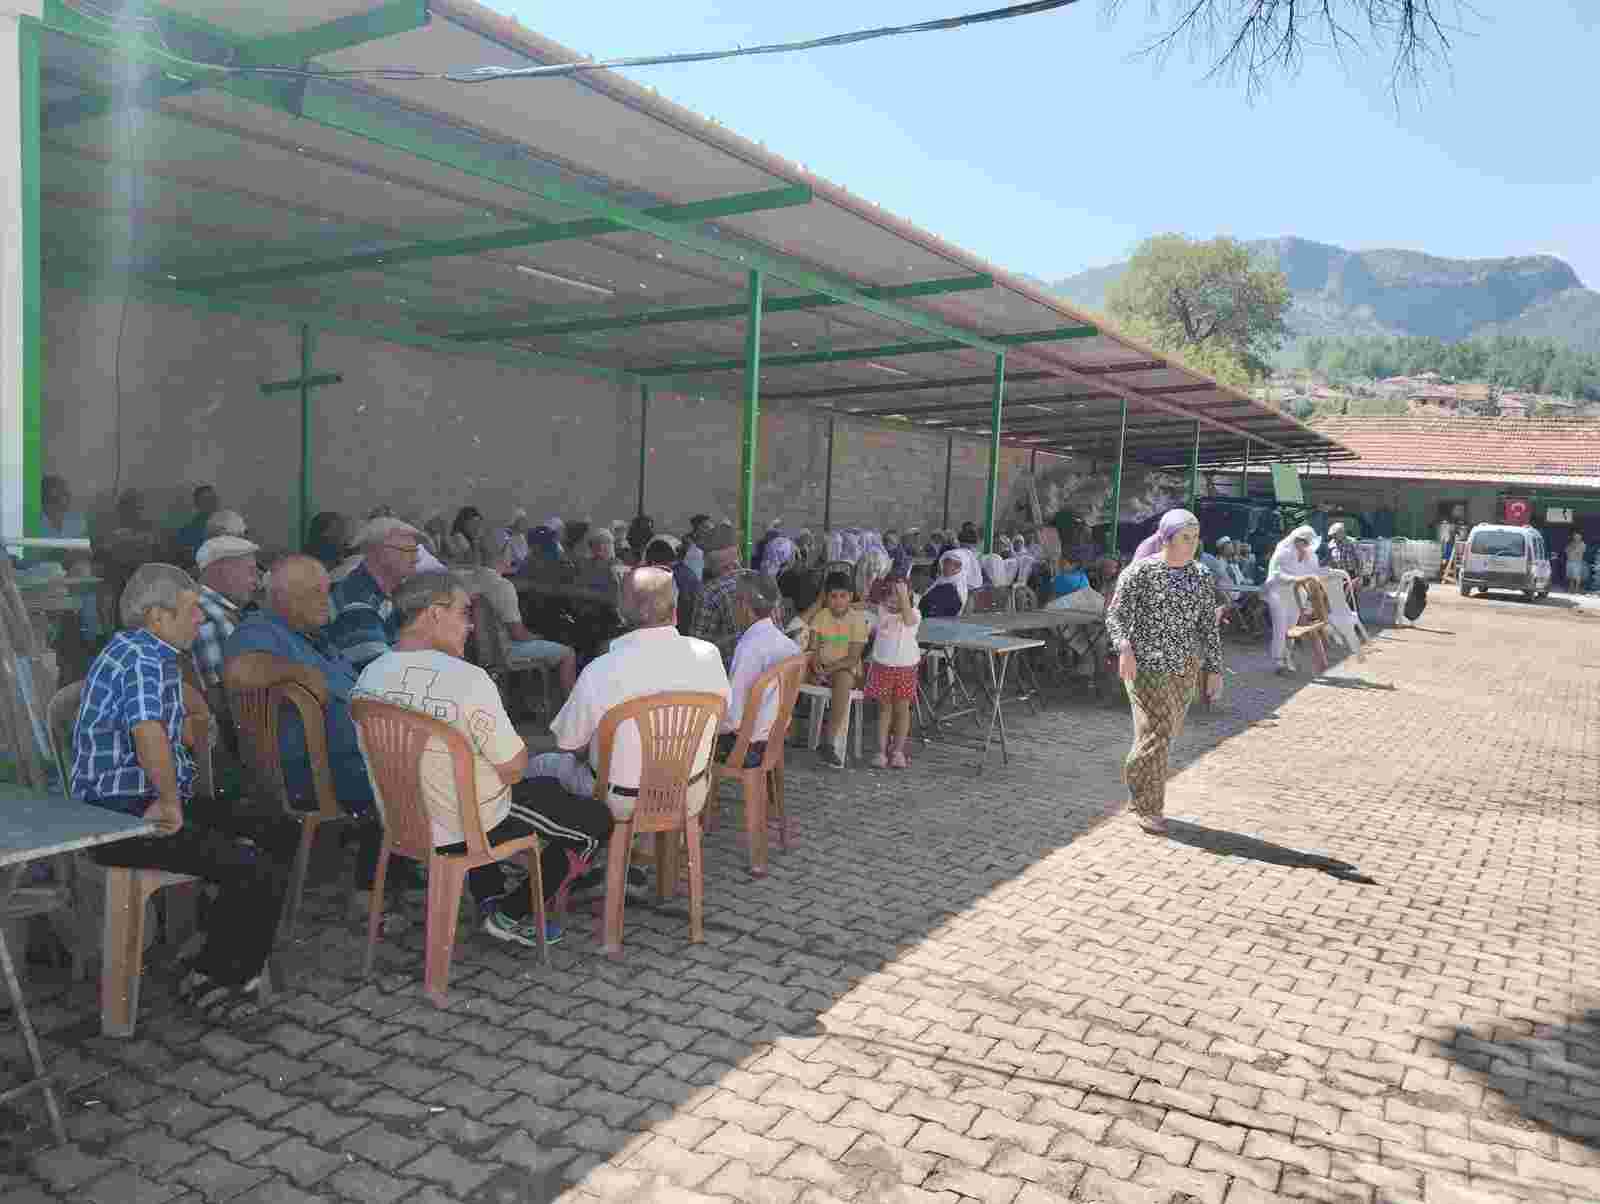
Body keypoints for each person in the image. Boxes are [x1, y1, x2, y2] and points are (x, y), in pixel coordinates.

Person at [70, 564, 299, 1021]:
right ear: (157, 616)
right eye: (193, 610)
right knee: (248, 866)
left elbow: (168, 709)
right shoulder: (140, 658)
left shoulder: (147, 653)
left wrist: (194, 716)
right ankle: (220, 980)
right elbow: (148, 731)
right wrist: (172, 801)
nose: (202, 619)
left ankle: (217, 955)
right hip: (116, 815)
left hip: (138, 800)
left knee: (278, 828)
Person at [354, 573, 567, 948]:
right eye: (464, 612)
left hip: (402, 823)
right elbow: (514, 767)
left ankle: (490, 896)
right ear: (435, 614)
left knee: (470, 782)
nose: (470, 625)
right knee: (583, 816)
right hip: (464, 827)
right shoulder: (468, 679)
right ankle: (510, 914)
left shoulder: (370, 675)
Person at [537, 567, 727, 889]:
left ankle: (559, 874)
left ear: (621, 614)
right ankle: (624, 865)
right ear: (676, 610)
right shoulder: (709, 656)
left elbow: (569, 743)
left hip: (619, 800)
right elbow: (723, 722)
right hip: (688, 791)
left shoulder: (601, 669)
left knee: (541, 765)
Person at [226, 554, 388, 909]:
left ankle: (400, 869)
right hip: (315, 772)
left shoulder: (311, 635)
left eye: (326, 591)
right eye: (315, 593)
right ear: (283, 598)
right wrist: (298, 673)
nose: (325, 601)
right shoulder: (259, 630)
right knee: (419, 771)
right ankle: (373, 887)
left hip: (349, 757)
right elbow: (239, 670)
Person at [1104, 510, 1223, 836]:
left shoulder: (1200, 575)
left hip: (1185, 667)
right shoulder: (1140, 572)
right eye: (1186, 536)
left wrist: (1214, 669)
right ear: (1167, 537)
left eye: (1196, 537)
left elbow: (1207, 628)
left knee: (1162, 734)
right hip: (1144, 666)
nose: (1193, 543)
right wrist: (1124, 648)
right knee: (1157, 731)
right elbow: (1115, 616)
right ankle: (1150, 809)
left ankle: (1137, 777)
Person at [467, 533, 578, 694]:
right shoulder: (502, 586)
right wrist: (539, 637)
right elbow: (518, 634)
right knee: (567, 653)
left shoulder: (470, 579)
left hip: (479, 650)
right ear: (503, 553)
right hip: (505, 651)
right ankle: (572, 706)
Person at [719, 572, 799, 767]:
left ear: (744, 606)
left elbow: (733, 717)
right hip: (773, 739)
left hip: (746, 747)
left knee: (690, 737)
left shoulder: (749, 647)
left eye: (734, 602)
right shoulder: (788, 644)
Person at [327, 516, 421, 671]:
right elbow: (380, 674)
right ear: (380, 553)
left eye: (416, 551)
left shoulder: (385, 593)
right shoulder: (357, 601)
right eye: (409, 551)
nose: (416, 558)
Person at [800, 571, 869, 770]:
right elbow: (812, 648)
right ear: (826, 597)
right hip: (820, 668)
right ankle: (778, 730)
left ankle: (828, 742)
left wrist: (828, 669)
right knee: (792, 672)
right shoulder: (821, 616)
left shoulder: (857, 620)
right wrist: (814, 664)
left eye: (843, 596)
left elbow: (852, 658)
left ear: (851, 596)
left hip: (843, 669)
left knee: (844, 681)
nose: (838, 601)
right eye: (833, 596)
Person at [190, 535, 260, 699]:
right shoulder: (211, 617)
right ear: (223, 571)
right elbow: (222, 698)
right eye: (250, 571)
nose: (257, 582)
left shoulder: (205, 607)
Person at [865, 576, 919, 769]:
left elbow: (909, 619)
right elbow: (868, 604)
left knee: (902, 710)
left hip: (905, 668)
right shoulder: (881, 612)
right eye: (889, 596)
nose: (893, 600)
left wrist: (904, 595)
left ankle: (898, 751)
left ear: (908, 595)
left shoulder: (913, 612)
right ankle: (880, 751)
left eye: (899, 596)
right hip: (883, 667)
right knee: (884, 710)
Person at [1265, 525, 1323, 674]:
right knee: (1281, 626)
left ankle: (1286, 657)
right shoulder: (1283, 552)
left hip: (1297, 596)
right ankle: (1278, 661)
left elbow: (1313, 575)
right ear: (1295, 539)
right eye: (1301, 541)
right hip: (1278, 593)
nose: (1304, 545)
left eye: (1307, 543)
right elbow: (1278, 575)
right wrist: (1297, 579)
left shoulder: (1310, 556)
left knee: (1291, 629)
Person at [689, 523, 743, 663]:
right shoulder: (761, 580)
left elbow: (698, 649)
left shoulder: (710, 592)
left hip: (728, 676)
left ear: (709, 562)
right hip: (770, 676)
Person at [174, 485, 220, 565]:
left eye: (213, 499)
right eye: (206, 500)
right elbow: (186, 558)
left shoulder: (229, 525)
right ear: (197, 504)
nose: (212, 504)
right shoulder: (188, 530)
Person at [919, 552, 967, 619]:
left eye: (955, 565)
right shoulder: (940, 581)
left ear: (961, 568)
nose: (948, 567)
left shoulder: (953, 588)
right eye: (946, 562)